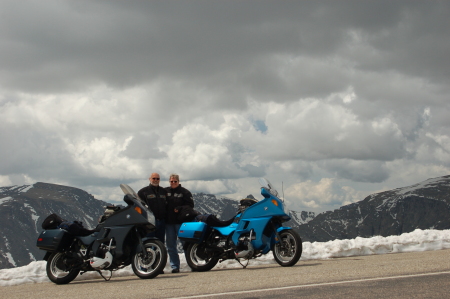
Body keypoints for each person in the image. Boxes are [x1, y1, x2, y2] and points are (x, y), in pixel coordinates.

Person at [165, 173, 194, 273]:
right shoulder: (165, 191)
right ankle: (175, 267)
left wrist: (180, 208)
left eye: (175, 181)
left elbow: (190, 205)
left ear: (178, 181)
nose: (173, 183)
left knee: (185, 244)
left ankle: (192, 264)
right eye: (171, 181)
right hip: (169, 223)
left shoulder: (185, 192)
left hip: (181, 223)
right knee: (171, 246)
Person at [137, 173, 167, 244]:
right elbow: (138, 206)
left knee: (160, 243)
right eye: (154, 178)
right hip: (149, 222)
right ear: (149, 179)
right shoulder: (143, 192)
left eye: (157, 179)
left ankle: (159, 255)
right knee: (148, 242)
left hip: (162, 222)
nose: (155, 180)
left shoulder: (163, 191)